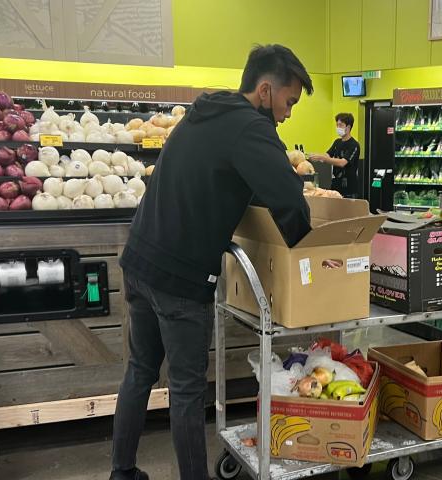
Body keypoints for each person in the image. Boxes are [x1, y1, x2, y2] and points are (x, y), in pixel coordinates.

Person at [110, 44, 314, 480]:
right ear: (265, 90)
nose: (288, 114)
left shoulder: (207, 110)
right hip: (180, 277)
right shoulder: (250, 129)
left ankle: (121, 472)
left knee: (140, 370)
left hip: (140, 260)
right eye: (289, 101)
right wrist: (308, 252)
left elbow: (227, 178)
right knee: (185, 390)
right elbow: (290, 203)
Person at [309, 113, 361, 197]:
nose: (338, 128)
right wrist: (317, 156)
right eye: (337, 125)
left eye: (340, 125)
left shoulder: (354, 145)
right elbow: (327, 155)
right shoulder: (337, 142)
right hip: (335, 185)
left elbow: (342, 163)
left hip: (349, 188)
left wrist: (324, 158)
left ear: (348, 127)